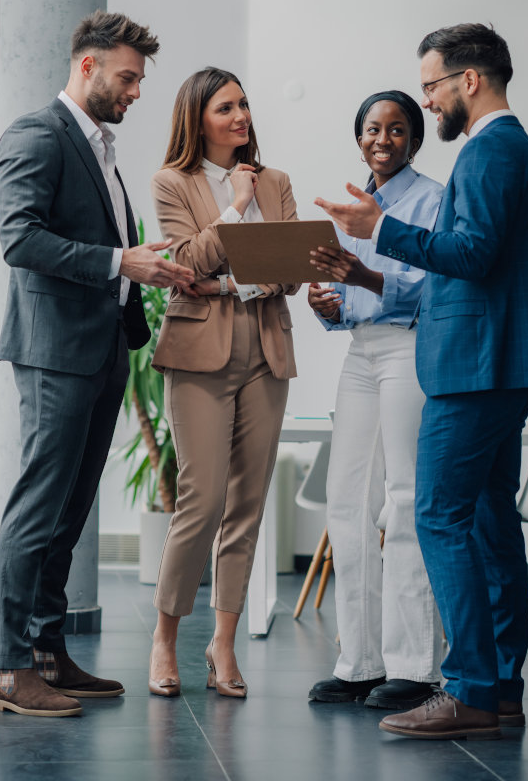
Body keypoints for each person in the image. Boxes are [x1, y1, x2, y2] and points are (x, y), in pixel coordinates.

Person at [315, 24, 528, 740]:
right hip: (497, 365)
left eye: (431, 86)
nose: (428, 101)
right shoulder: (520, 155)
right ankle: (499, 686)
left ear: (470, 81)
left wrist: (379, 226)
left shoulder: (488, 153)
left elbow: (472, 255)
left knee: (436, 516)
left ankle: (471, 689)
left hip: (473, 367)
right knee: (485, 524)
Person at [0, 10, 194, 718]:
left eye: (138, 80)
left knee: (69, 514)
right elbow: (19, 240)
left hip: (101, 348)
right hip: (54, 353)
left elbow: (101, 246)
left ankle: (46, 653)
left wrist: (142, 275)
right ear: (87, 65)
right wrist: (117, 261)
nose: (135, 91)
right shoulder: (37, 134)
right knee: (37, 509)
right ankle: (10, 669)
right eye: (128, 78)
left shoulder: (97, 146)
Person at [148, 66, 300, 698]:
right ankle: (164, 638)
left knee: (247, 504)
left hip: (266, 349)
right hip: (199, 353)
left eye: (244, 106)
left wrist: (236, 278)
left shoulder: (279, 181)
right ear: (197, 118)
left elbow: (290, 272)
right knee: (201, 500)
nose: (240, 117)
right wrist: (236, 208)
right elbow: (185, 265)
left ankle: (223, 644)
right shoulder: (173, 182)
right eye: (226, 108)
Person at [307, 91, 444, 711]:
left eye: (396, 129)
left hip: (410, 351)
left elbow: (431, 288)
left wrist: (360, 277)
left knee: (406, 498)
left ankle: (414, 667)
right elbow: (349, 300)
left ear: (415, 138)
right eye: (371, 128)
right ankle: (359, 662)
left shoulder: (433, 199)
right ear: (357, 137)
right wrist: (327, 306)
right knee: (347, 500)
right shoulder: (348, 206)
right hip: (361, 351)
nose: (381, 139)